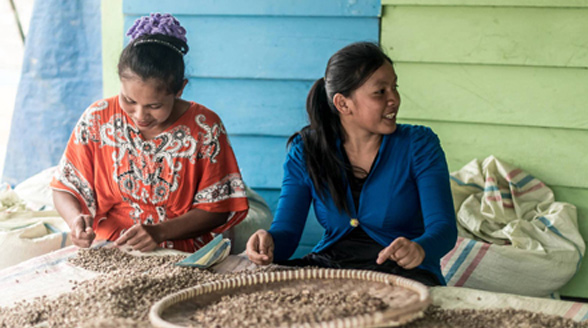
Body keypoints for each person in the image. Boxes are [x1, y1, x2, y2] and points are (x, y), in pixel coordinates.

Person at [245, 42, 457, 286]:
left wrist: (420, 248)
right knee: (256, 290)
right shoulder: (305, 151)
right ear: (343, 104)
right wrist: (267, 242)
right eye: (380, 92)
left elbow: (443, 229)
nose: (394, 99)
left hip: (404, 274)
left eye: (394, 87)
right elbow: (287, 234)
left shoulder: (419, 144)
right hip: (332, 268)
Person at [51, 13, 249, 253]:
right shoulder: (97, 119)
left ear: (179, 90)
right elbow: (64, 187)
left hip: (182, 250)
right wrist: (75, 220)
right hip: (109, 246)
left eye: (154, 106)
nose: (139, 115)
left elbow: (218, 209)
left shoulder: (205, 128)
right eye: (129, 100)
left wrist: (160, 232)